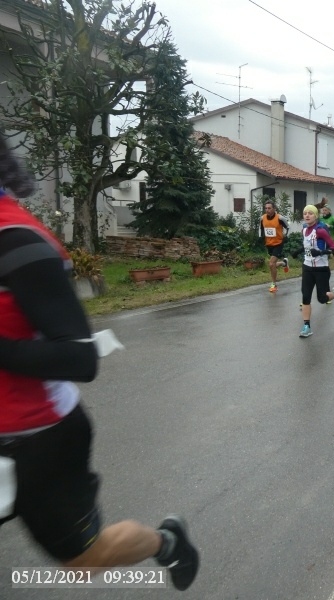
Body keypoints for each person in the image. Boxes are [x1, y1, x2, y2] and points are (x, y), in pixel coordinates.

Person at [0, 137, 199, 590]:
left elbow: (79, 357)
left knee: (82, 560)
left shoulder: (18, 241)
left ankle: (166, 542)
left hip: (38, 437)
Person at [299, 205, 334, 338]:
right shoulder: (304, 230)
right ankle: (307, 326)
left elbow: (333, 247)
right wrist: (297, 251)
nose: (307, 215)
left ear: (316, 216)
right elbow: (307, 247)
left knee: (322, 299)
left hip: (321, 269)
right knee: (305, 296)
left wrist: (321, 252)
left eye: (310, 213)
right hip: (307, 267)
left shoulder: (320, 230)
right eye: (305, 213)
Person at [259, 199, 290, 293]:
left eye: (269, 208)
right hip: (269, 244)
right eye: (266, 208)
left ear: (274, 208)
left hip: (278, 243)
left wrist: (286, 237)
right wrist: (260, 237)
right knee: (272, 265)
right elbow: (261, 228)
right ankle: (284, 263)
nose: (267, 210)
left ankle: (274, 284)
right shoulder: (262, 218)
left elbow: (288, 227)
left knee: (271, 263)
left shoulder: (280, 218)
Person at [319, 202, 334, 277]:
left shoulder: (333, 218)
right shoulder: (320, 219)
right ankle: (325, 271)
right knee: (324, 256)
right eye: (323, 210)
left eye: (326, 210)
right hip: (324, 241)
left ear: (329, 211)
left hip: (333, 240)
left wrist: (331, 226)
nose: (324, 212)